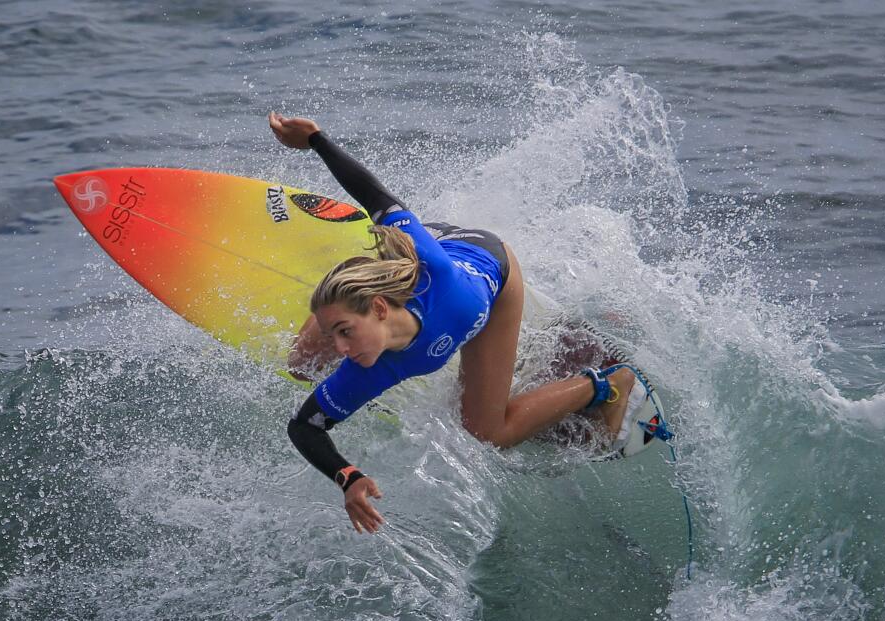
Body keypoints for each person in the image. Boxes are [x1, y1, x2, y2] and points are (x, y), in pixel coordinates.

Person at [270, 112, 646, 534]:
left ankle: (607, 384)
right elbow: (305, 426)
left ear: (378, 309)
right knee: (301, 366)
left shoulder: (451, 297)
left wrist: (319, 138)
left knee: (487, 432)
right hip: (422, 250)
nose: (342, 351)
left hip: (489, 273)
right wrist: (347, 476)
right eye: (335, 333)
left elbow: (374, 192)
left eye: (345, 333)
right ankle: (343, 292)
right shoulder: (367, 362)